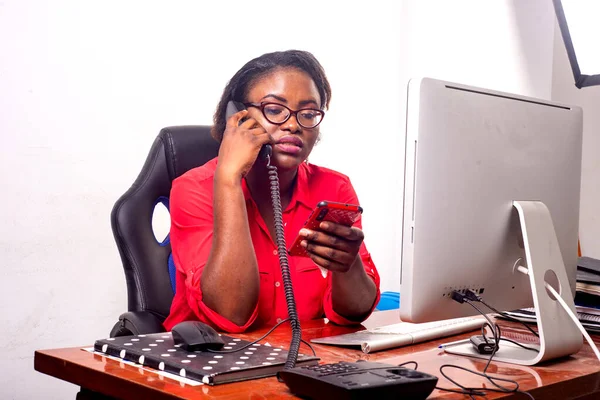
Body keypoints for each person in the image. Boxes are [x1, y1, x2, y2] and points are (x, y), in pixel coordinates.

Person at [163, 50, 380, 333]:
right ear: (237, 117)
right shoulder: (194, 189)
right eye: (274, 110)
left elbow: (355, 314)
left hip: (305, 360)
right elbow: (231, 315)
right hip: (209, 362)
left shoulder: (334, 188)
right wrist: (228, 179)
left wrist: (347, 266)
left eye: (308, 113)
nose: (293, 124)